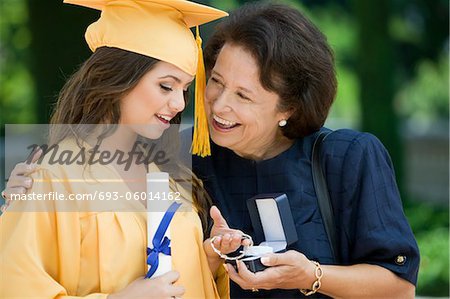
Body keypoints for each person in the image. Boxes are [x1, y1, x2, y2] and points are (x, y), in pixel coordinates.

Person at [3, 1, 421, 298]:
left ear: (288, 108)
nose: (215, 106)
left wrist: (303, 274)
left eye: (244, 95)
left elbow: (398, 287)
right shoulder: (178, 161)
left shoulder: (343, 158)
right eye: (215, 83)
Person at [0, 0, 250, 298]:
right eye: (166, 86)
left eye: (184, 89)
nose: (180, 104)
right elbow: (15, 286)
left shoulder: (167, 176)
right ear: (118, 77)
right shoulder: (54, 176)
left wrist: (208, 256)